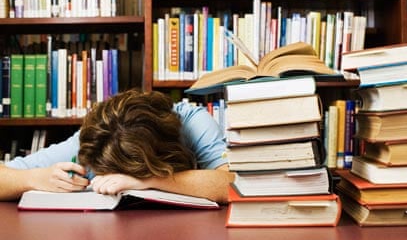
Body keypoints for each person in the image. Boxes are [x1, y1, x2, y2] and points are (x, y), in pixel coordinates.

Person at [0, 89, 234, 203]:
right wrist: (32, 178)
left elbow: (233, 184)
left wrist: (147, 182)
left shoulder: (192, 122)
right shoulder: (97, 138)